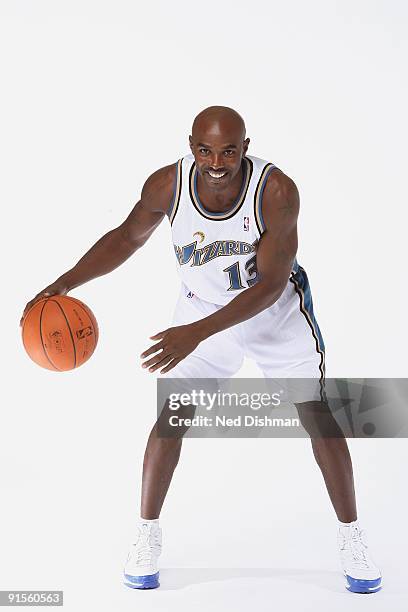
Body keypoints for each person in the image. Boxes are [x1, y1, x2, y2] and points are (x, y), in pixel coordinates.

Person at [21, 106, 381, 594]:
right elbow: (127, 237)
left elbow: (272, 284)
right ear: (191, 145)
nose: (217, 161)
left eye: (229, 150)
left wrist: (196, 333)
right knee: (173, 415)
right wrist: (62, 285)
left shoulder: (276, 192)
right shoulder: (166, 185)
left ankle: (352, 537)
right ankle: (146, 536)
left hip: (272, 315)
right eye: (206, 149)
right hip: (201, 307)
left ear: (245, 148)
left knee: (317, 415)